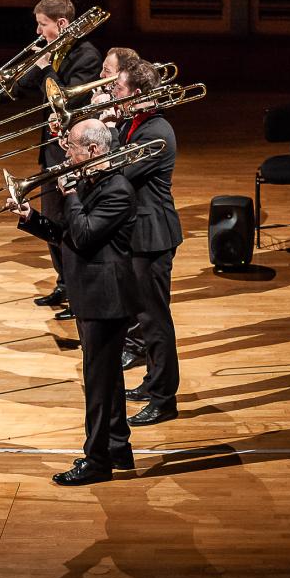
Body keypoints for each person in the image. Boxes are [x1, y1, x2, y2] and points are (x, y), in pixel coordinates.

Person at [8, 117, 137, 485]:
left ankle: (97, 461)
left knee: (97, 383)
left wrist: (70, 195)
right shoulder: (90, 182)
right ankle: (117, 447)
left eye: (74, 147)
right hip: (91, 293)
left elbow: (83, 236)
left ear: (94, 150)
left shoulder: (118, 190)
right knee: (107, 379)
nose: (66, 153)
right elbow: (66, 233)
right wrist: (31, 218)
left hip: (106, 298)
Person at [15, 0, 103, 317]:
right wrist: (37, 67)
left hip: (71, 149)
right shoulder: (55, 50)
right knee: (51, 218)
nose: (38, 32)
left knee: (66, 221)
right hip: (49, 147)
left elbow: (68, 101)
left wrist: (47, 69)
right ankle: (64, 283)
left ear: (61, 24)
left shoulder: (86, 55)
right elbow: (25, 85)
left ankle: (76, 290)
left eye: (43, 25)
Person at [111, 57, 182, 426]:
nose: (111, 94)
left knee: (155, 320)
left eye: (117, 89)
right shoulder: (135, 123)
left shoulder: (155, 132)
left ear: (137, 94)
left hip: (152, 235)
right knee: (143, 316)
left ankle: (164, 399)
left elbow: (120, 174)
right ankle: (153, 381)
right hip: (139, 232)